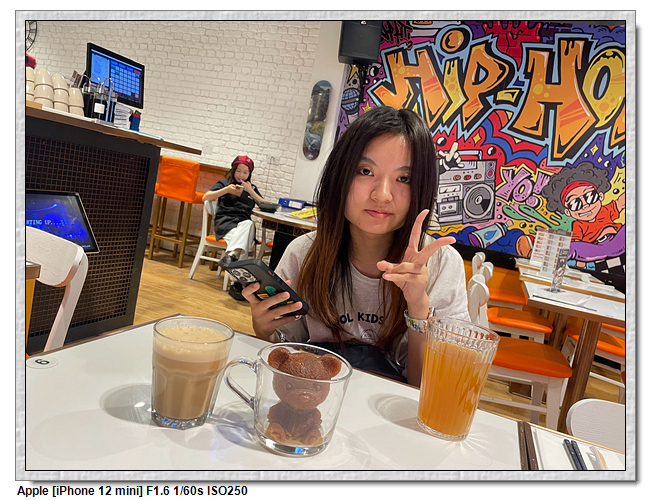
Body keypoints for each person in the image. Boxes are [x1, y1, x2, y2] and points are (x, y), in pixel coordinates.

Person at [241, 106, 470, 386]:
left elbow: (430, 388)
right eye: (365, 171)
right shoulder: (304, 254)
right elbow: (285, 358)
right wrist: (264, 330)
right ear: (340, 176)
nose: (382, 195)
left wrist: (418, 309)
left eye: (404, 179)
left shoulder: (441, 264)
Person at [202, 155, 266, 270]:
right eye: (238, 171)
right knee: (246, 236)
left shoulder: (251, 188)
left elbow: (265, 205)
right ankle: (236, 274)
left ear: (249, 174)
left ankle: (231, 256)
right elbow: (205, 197)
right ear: (233, 170)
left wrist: (251, 191)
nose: (241, 175)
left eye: (245, 172)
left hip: (243, 225)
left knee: (248, 225)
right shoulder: (224, 184)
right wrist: (226, 190)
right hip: (226, 225)